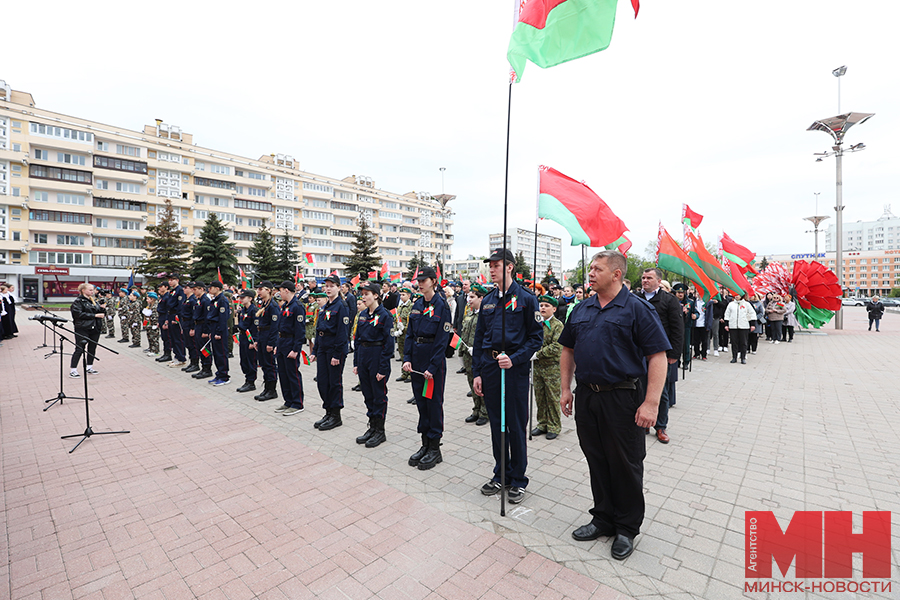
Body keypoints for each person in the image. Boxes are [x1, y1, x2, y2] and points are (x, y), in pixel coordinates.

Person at [559, 251, 670, 560]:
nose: (591, 273)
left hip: (624, 398)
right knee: (597, 459)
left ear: (617, 274)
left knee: (625, 462)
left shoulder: (637, 309)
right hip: (588, 397)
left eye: (598, 269)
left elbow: (657, 356)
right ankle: (603, 518)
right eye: (591, 268)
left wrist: (651, 403)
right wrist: (566, 388)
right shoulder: (582, 308)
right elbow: (567, 350)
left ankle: (626, 527)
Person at [473, 249, 543, 503]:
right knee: (496, 424)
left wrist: (515, 358)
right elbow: (480, 338)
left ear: (510, 267)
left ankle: (518, 478)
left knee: (515, 424)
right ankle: (500, 473)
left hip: (514, 368)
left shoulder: (526, 299)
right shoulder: (489, 300)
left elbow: (536, 338)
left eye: (497, 265)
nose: (491, 269)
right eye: (490, 265)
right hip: (491, 367)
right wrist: (477, 372)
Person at [403, 267, 453, 470]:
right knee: (421, 404)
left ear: (433, 281)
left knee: (433, 404)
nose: (420, 283)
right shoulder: (417, 304)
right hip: (417, 360)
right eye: (418, 280)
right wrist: (407, 358)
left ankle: (435, 448)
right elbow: (409, 334)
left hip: (433, 363)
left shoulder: (441, 305)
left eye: (424, 280)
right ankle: (425, 444)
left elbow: (443, 339)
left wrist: (433, 366)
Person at [634, 268, 683, 444]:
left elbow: (678, 329)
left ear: (659, 281)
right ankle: (643, 422)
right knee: (638, 388)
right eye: (643, 277)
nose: (645, 280)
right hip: (638, 353)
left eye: (649, 278)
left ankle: (660, 426)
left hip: (661, 354)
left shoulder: (669, 300)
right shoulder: (635, 298)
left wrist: (674, 354)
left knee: (660, 392)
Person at [353, 282, 395, 448]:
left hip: (377, 356)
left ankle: (380, 431)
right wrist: (356, 362)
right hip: (364, 356)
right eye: (362, 294)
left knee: (378, 396)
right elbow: (357, 340)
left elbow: (388, 344)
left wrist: (383, 368)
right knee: (368, 395)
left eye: (367, 294)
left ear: (376, 295)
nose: (363, 297)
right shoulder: (363, 315)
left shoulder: (385, 315)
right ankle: (372, 426)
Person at [311, 274, 350, 431]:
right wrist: (315, 350)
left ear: (338, 288)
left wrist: (336, 354)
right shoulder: (325, 306)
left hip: (335, 349)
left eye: (331, 286)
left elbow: (342, 333)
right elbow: (319, 329)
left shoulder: (342, 306)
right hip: (323, 348)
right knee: (322, 381)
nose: (328, 288)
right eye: (326, 286)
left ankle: (336, 415)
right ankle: (328, 411)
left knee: (334, 383)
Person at [531, 295, 564, 440]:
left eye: (546, 306)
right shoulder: (537, 323)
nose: (542, 308)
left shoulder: (558, 325)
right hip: (537, 367)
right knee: (540, 396)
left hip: (552, 368)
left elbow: (557, 347)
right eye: (541, 305)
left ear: (554, 309)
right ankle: (542, 423)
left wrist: (538, 354)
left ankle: (554, 425)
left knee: (552, 397)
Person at [273, 281, 306, 414]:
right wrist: (277, 345)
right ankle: (288, 401)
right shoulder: (285, 306)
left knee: (293, 374)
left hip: (291, 343)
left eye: (280, 290)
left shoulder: (297, 306)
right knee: (283, 373)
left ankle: (297, 403)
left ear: (287, 290)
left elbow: (300, 330)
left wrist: (296, 349)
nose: (279, 293)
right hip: (282, 342)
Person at [460, 285, 488, 426]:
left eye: (472, 297)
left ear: (481, 298)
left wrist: (478, 350)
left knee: (481, 383)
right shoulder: (469, 314)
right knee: (472, 384)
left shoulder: (486, 315)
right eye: (468, 297)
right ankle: (476, 409)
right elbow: (464, 334)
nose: (469, 300)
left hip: (480, 355)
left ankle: (485, 412)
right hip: (468, 354)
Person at [68, 283, 105, 378]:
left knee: (92, 348)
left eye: (93, 290)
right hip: (83, 328)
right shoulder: (78, 301)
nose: (92, 292)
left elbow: (98, 312)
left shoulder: (93, 300)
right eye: (90, 290)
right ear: (83, 290)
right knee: (79, 348)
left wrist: (102, 309)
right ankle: (73, 369)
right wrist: (94, 315)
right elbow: (78, 314)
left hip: (95, 327)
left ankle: (89, 367)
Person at [253, 281, 281, 402]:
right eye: (258, 289)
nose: (258, 292)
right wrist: (257, 340)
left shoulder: (273, 306)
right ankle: (266, 388)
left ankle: (272, 390)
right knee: (264, 364)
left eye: (261, 289)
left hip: (268, 336)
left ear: (268, 290)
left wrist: (271, 343)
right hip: (262, 335)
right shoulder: (264, 304)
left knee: (270, 364)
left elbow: (275, 326)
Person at [207, 281, 231, 385]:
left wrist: (218, 332)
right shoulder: (215, 299)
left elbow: (223, 318)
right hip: (214, 328)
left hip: (219, 329)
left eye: (211, 287)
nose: (209, 289)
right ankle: (219, 374)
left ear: (217, 288)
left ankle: (224, 376)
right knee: (216, 353)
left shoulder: (222, 300)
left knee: (221, 353)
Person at [236, 290, 259, 393]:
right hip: (243, 337)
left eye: (243, 298)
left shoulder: (253, 310)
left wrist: (253, 341)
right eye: (240, 298)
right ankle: (247, 379)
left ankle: (251, 382)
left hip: (250, 338)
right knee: (243, 360)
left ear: (250, 298)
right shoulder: (243, 310)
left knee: (250, 360)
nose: (241, 299)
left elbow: (255, 327)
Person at [723, 292, 756, 364]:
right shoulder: (731, 304)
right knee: (734, 342)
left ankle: (743, 357)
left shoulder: (747, 304)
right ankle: (734, 357)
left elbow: (752, 314)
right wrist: (726, 324)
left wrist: (752, 324)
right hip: (733, 326)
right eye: (735, 295)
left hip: (744, 326)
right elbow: (727, 314)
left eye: (738, 295)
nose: (736, 296)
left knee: (743, 342)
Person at [165, 275, 188, 367]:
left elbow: (180, 305)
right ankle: (176, 356)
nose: (170, 282)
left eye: (172, 280)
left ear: (177, 280)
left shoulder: (180, 290)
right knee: (173, 338)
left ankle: (181, 358)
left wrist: (177, 318)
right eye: (169, 280)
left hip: (176, 316)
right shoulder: (172, 291)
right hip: (170, 314)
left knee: (178, 338)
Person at [192, 284, 214, 380]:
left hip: (203, 326)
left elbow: (207, 317)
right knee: (199, 347)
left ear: (202, 289)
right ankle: (203, 367)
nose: (194, 291)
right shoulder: (199, 300)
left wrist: (206, 331)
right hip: (198, 325)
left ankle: (207, 368)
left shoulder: (205, 301)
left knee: (205, 348)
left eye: (196, 289)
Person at [393, 287, 414, 384]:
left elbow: (411, 322)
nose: (401, 296)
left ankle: (410, 374)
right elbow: (396, 319)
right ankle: (404, 373)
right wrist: (396, 330)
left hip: (407, 334)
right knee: (402, 354)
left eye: (403, 295)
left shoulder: (412, 306)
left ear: (409, 296)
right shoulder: (400, 307)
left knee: (408, 354)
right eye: (400, 294)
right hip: (400, 335)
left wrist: (404, 329)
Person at [182, 283, 200, 372]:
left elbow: (194, 315)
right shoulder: (186, 299)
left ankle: (195, 363)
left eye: (186, 287)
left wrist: (192, 328)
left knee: (193, 345)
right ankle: (192, 362)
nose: (184, 289)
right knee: (188, 345)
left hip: (190, 324)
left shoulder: (193, 300)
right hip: (185, 323)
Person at [144, 292, 161, 356]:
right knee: (150, 337)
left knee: (154, 338)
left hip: (154, 324)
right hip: (149, 324)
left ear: (152, 299)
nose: (146, 300)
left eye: (148, 299)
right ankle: (151, 349)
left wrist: (155, 323)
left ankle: (156, 351)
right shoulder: (149, 305)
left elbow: (156, 315)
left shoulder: (155, 306)